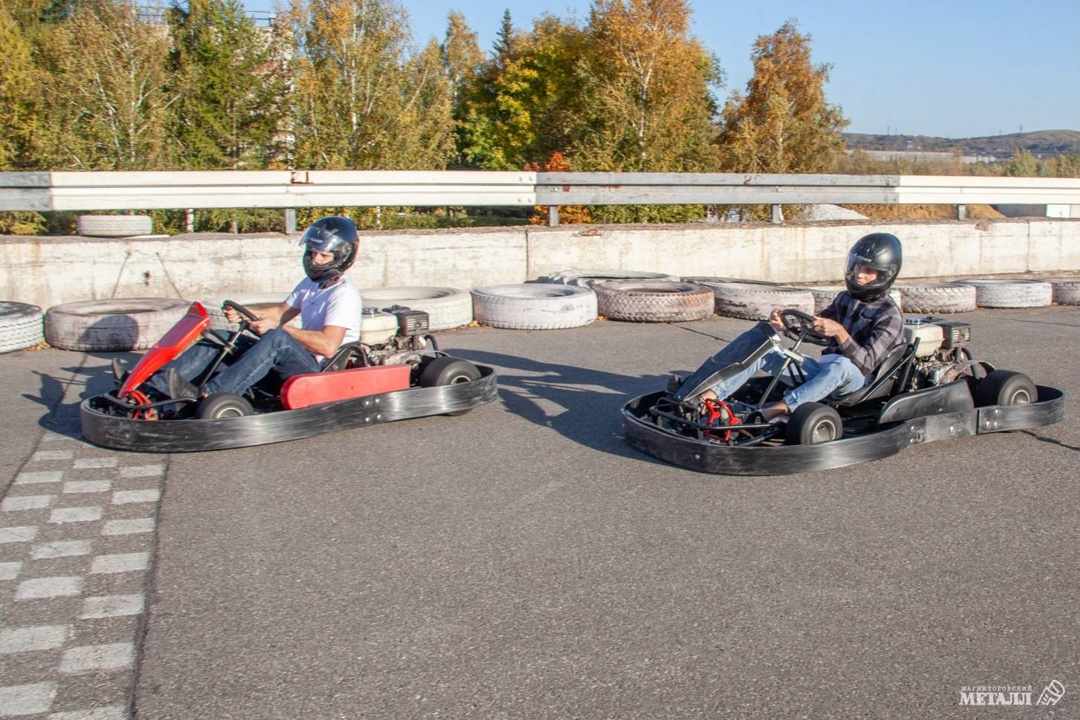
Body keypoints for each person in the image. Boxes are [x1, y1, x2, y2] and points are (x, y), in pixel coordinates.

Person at [147, 216, 363, 403]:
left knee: (277, 338)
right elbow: (280, 312)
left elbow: (328, 346)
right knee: (223, 338)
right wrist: (245, 312)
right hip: (297, 361)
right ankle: (156, 387)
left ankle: (209, 396)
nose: (315, 259)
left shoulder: (343, 294)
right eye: (313, 252)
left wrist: (280, 328)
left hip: (320, 372)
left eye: (323, 256)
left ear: (342, 257)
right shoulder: (310, 283)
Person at [698, 232, 905, 420]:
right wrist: (786, 325)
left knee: (841, 366)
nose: (860, 275)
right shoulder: (845, 298)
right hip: (825, 370)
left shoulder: (889, 316)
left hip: (859, 384)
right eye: (858, 266)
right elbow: (813, 327)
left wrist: (841, 333)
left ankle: (775, 411)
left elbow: (866, 365)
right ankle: (710, 396)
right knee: (769, 350)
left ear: (885, 275)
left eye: (869, 271)